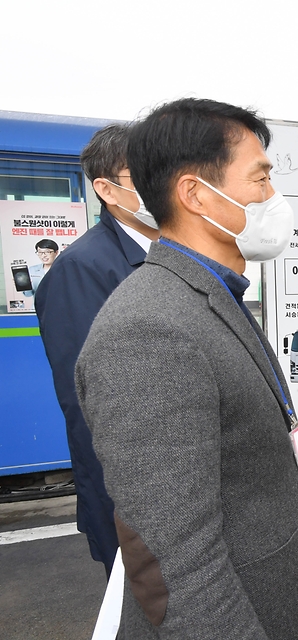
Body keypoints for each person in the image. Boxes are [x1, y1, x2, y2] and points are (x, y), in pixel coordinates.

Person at [75, 98, 298, 639]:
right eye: (260, 179)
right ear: (195, 194)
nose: (273, 197)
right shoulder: (147, 331)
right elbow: (177, 564)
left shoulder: (210, 294)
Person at [35, 123, 159, 578]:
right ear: (106, 189)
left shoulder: (173, 250)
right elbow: (91, 401)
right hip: (136, 496)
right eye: (147, 172)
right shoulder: (81, 270)